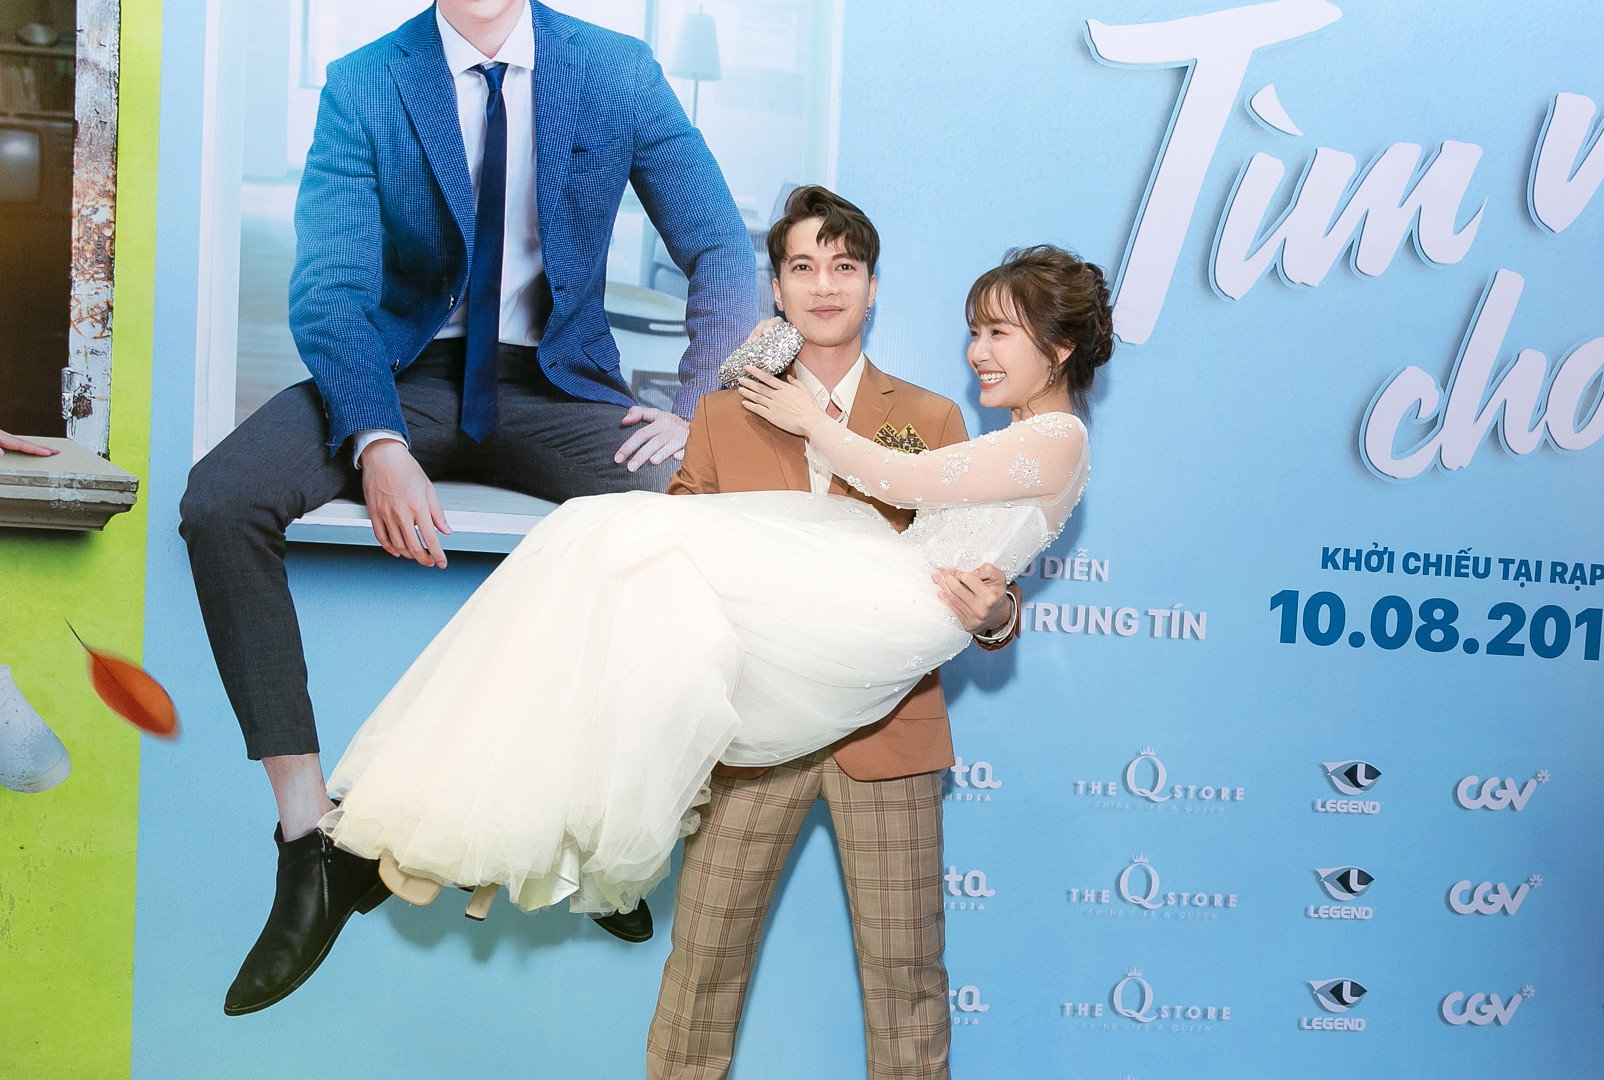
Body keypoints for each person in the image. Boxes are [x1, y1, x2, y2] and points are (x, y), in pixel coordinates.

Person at [176, 0, 759, 1017]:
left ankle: (594, 829)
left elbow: (722, 250)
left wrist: (700, 406)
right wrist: (376, 437)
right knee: (222, 499)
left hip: (557, 386)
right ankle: (313, 842)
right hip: (403, 377)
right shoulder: (366, 81)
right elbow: (329, 287)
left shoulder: (615, 70)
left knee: (694, 517)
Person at [318, 242, 1107, 960]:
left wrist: (809, 421)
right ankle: (521, 826)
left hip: (892, 612)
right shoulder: (1022, 438)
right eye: (975, 333)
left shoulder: (1055, 438)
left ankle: (532, 829)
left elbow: (904, 480)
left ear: (1059, 346)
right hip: (873, 587)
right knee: (618, 553)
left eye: (998, 334)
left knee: (615, 536)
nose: (977, 353)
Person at [647, 187, 1018, 1080]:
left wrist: (997, 617)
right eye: (803, 267)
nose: (824, 285)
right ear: (776, 288)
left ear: (873, 287)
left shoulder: (931, 419)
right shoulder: (722, 415)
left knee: (906, 978)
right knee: (701, 969)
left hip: (888, 735)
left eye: (844, 266)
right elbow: (673, 564)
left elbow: (985, 579)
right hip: (752, 737)